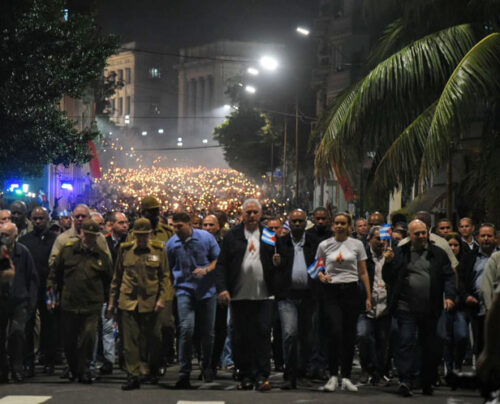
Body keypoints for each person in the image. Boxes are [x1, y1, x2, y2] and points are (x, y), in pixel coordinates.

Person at [383, 219, 456, 397]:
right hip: (405, 306)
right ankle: (405, 380)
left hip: (431, 307)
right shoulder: (400, 252)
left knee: (430, 345)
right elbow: (389, 278)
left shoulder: (438, 253)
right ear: (410, 235)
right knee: (406, 341)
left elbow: (448, 276)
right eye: (417, 234)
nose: (422, 236)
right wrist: (389, 263)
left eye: (424, 232)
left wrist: (450, 296)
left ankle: (426, 381)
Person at [107, 218, 174, 391]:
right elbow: (117, 277)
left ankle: (152, 369)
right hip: (128, 300)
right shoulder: (126, 250)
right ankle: (133, 375)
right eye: (139, 235)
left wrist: (162, 299)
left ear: (151, 234)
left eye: (145, 235)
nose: (142, 238)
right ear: (133, 235)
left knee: (153, 339)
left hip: (151, 302)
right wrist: (112, 302)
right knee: (129, 342)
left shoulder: (159, 250)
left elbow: (165, 277)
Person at [216, 199, 275, 391]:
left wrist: (278, 262)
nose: (251, 216)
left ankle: (262, 375)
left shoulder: (269, 235)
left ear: (260, 214)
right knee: (241, 337)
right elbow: (222, 264)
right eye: (248, 212)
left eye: (255, 212)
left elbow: (278, 260)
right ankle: (245, 375)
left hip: (264, 296)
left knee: (263, 335)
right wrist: (223, 288)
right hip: (239, 296)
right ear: (242, 214)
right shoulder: (232, 236)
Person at [316, 212, 372, 392]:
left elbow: (363, 272)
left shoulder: (357, 245)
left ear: (349, 226)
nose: (339, 226)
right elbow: (317, 267)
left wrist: (369, 297)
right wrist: (321, 275)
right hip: (332, 291)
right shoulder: (324, 245)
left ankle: (346, 376)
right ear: (333, 226)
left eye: (343, 223)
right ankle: (333, 375)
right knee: (335, 331)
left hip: (351, 291)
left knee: (349, 334)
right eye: (337, 223)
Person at [166, 212, 220, 388]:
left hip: (207, 291)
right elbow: (168, 267)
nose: (176, 229)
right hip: (184, 291)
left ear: (189, 224)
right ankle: (184, 372)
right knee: (186, 330)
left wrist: (207, 269)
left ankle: (206, 367)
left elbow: (218, 259)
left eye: (179, 226)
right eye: (174, 226)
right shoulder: (172, 244)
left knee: (207, 333)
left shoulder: (206, 238)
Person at [272, 209, 318, 389]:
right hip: (287, 296)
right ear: (288, 223)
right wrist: (276, 264)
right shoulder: (280, 243)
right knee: (290, 333)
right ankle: (289, 371)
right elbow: (273, 271)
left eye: (300, 221)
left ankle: (302, 371)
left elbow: (320, 265)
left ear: (306, 223)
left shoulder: (314, 243)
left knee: (306, 335)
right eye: (294, 221)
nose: (297, 224)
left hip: (308, 296)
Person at [18, 207, 58, 376]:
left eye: (41, 218)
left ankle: (49, 360)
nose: (38, 221)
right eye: (35, 219)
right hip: (30, 289)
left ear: (47, 219)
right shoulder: (25, 240)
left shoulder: (55, 239)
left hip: (49, 288)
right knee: (28, 325)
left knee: (50, 325)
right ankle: (28, 362)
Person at [0, 222, 38, 383]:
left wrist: (31, 301)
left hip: (19, 301)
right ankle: (3, 369)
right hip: (2, 300)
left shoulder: (23, 252)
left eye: (7, 234)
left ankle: (17, 367)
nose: (3, 238)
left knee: (17, 333)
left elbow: (32, 278)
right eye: (1, 234)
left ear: (16, 235)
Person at [357, 226, 392, 385]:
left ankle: (379, 373)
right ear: (369, 239)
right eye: (377, 238)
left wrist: (391, 263)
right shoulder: (363, 257)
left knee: (382, 341)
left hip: (385, 306)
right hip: (366, 305)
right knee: (363, 335)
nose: (381, 242)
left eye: (383, 239)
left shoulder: (391, 256)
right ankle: (366, 368)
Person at [440, 233, 469, 376]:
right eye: (450, 245)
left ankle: (458, 363)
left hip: (461, 307)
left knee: (462, 335)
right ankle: (448, 367)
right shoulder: (441, 262)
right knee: (446, 338)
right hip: (444, 306)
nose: (452, 248)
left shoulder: (465, 262)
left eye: (455, 245)